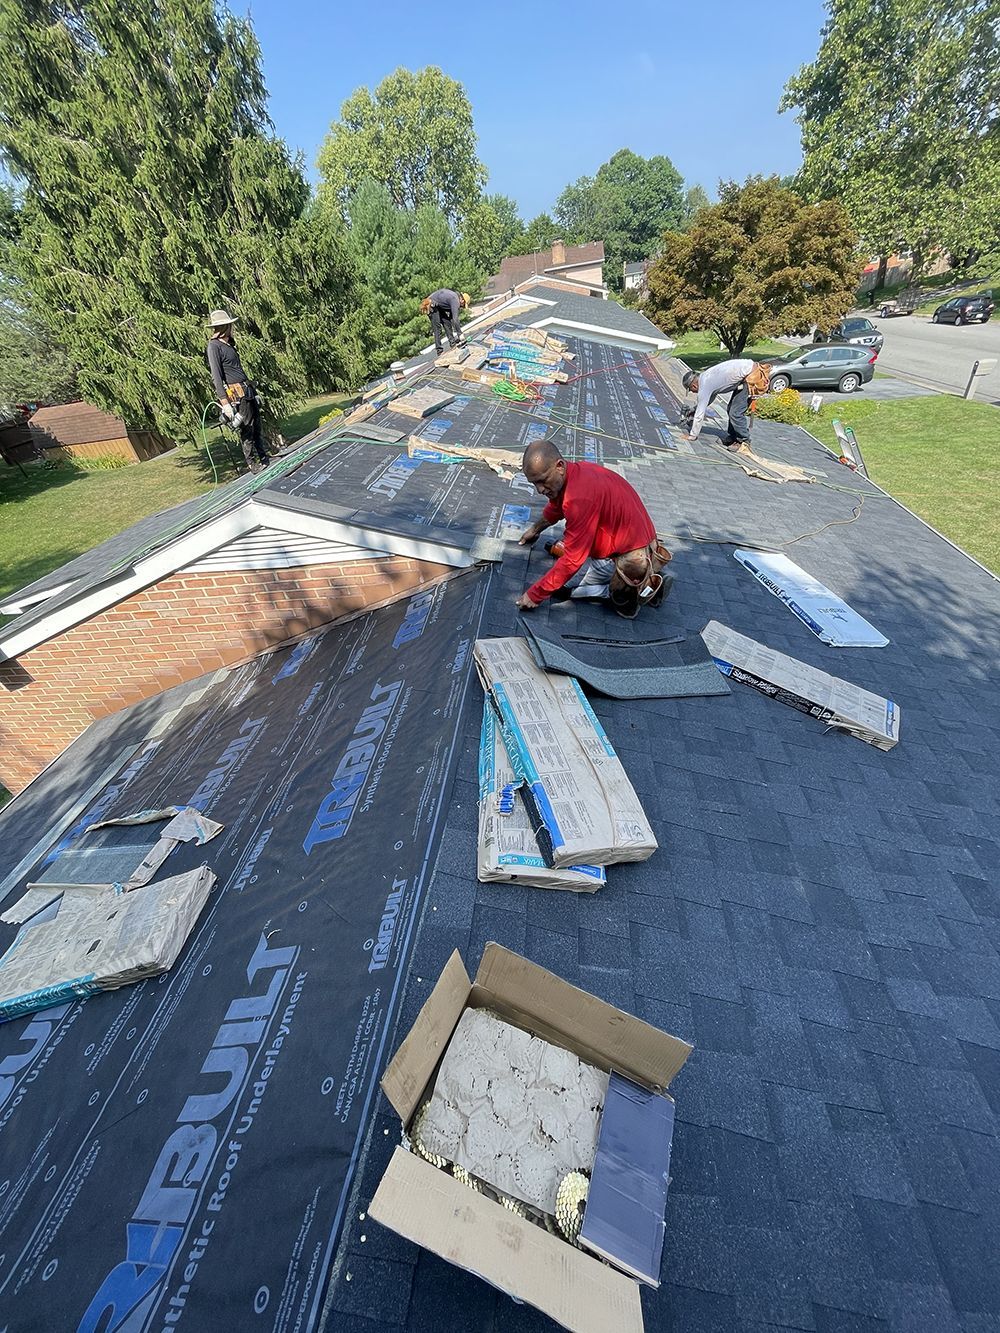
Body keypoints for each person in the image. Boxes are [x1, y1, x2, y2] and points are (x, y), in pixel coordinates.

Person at [515, 441, 668, 617]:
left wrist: (535, 594)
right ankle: (647, 576)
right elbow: (556, 506)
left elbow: (572, 560)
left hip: (631, 558)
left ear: (559, 466)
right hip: (641, 544)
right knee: (572, 551)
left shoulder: (579, 499)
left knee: (573, 589)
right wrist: (535, 529)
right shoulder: (576, 473)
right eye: (534, 483)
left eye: (542, 481)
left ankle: (633, 592)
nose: (539, 490)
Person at [205, 309, 270, 473]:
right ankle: (251, 463)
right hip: (236, 394)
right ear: (225, 326)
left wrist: (254, 392)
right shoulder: (214, 346)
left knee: (257, 425)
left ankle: (263, 457)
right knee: (246, 427)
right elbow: (217, 377)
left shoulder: (229, 344)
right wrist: (224, 402)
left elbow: (238, 369)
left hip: (247, 389)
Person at [681, 358, 756, 450]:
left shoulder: (704, 386)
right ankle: (733, 437)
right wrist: (694, 409)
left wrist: (692, 435)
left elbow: (700, 414)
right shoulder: (706, 377)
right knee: (731, 410)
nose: (693, 392)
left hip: (751, 376)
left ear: (694, 386)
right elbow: (710, 398)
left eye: (691, 390)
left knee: (735, 412)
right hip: (746, 372)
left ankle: (743, 441)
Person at [421, 289, 470, 355]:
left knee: (447, 323)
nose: (461, 307)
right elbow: (455, 320)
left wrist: (458, 338)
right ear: (462, 300)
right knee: (437, 328)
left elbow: (451, 318)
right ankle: (439, 351)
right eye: (463, 305)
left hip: (438, 305)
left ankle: (453, 344)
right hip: (430, 304)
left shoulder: (454, 299)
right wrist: (460, 334)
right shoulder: (455, 300)